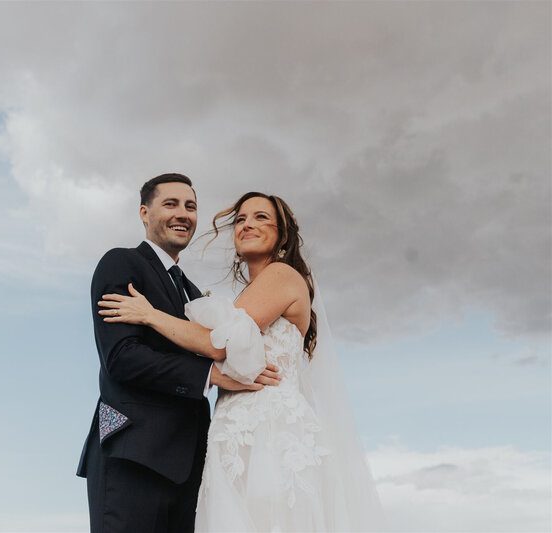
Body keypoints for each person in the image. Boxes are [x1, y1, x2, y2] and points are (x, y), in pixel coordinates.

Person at [98, 192, 384, 531]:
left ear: (283, 235)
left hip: (270, 432)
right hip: (236, 431)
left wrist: (149, 315)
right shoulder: (251, 295)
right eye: (242, 219)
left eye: (261, 217)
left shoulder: (280, 276)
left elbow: (217, 346)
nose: (248, 223)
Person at [77, 176, 281, 533]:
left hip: (190, 468)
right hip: (133, 454)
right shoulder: (121, 264)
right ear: (144, 213)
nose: (183, 214)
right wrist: (212, 375)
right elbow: (122, 358)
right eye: (170, 204)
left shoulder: (189, 290)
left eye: (190, 206)